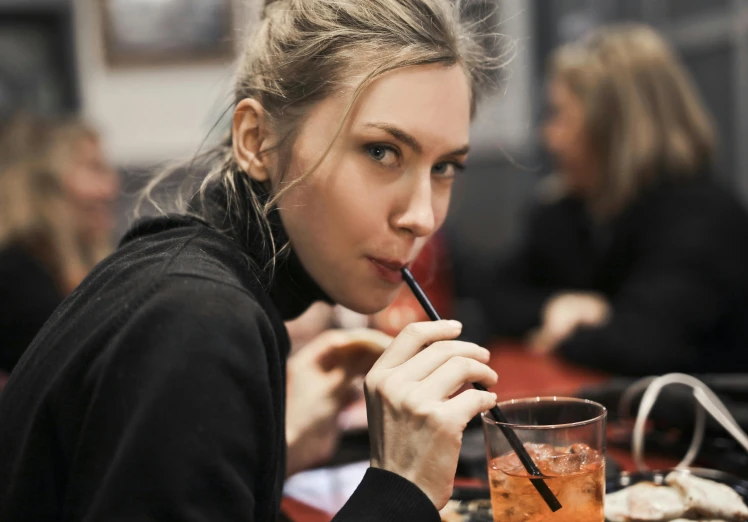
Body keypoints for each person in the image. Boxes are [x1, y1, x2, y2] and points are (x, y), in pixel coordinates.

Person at [0, 1, 502, 521]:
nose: (422, 216)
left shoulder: (194, 283)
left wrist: (270, 451)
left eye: (445, 167)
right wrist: (403, 483)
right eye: (381, 151)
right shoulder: (197, 318)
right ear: (256, 141)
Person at [490, 24, 748, 376]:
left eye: (560, 116)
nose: (549, 137)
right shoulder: (568, 210)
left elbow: (641, 346)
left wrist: (567, 331)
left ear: (613, 130)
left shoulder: (706, 220)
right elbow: (494, 294)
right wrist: (556, 306)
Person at [0, 114, 118, 373]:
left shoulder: (74, 269)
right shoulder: (18, 279)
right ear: (45, 182)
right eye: (94, 168)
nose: (110, 188)